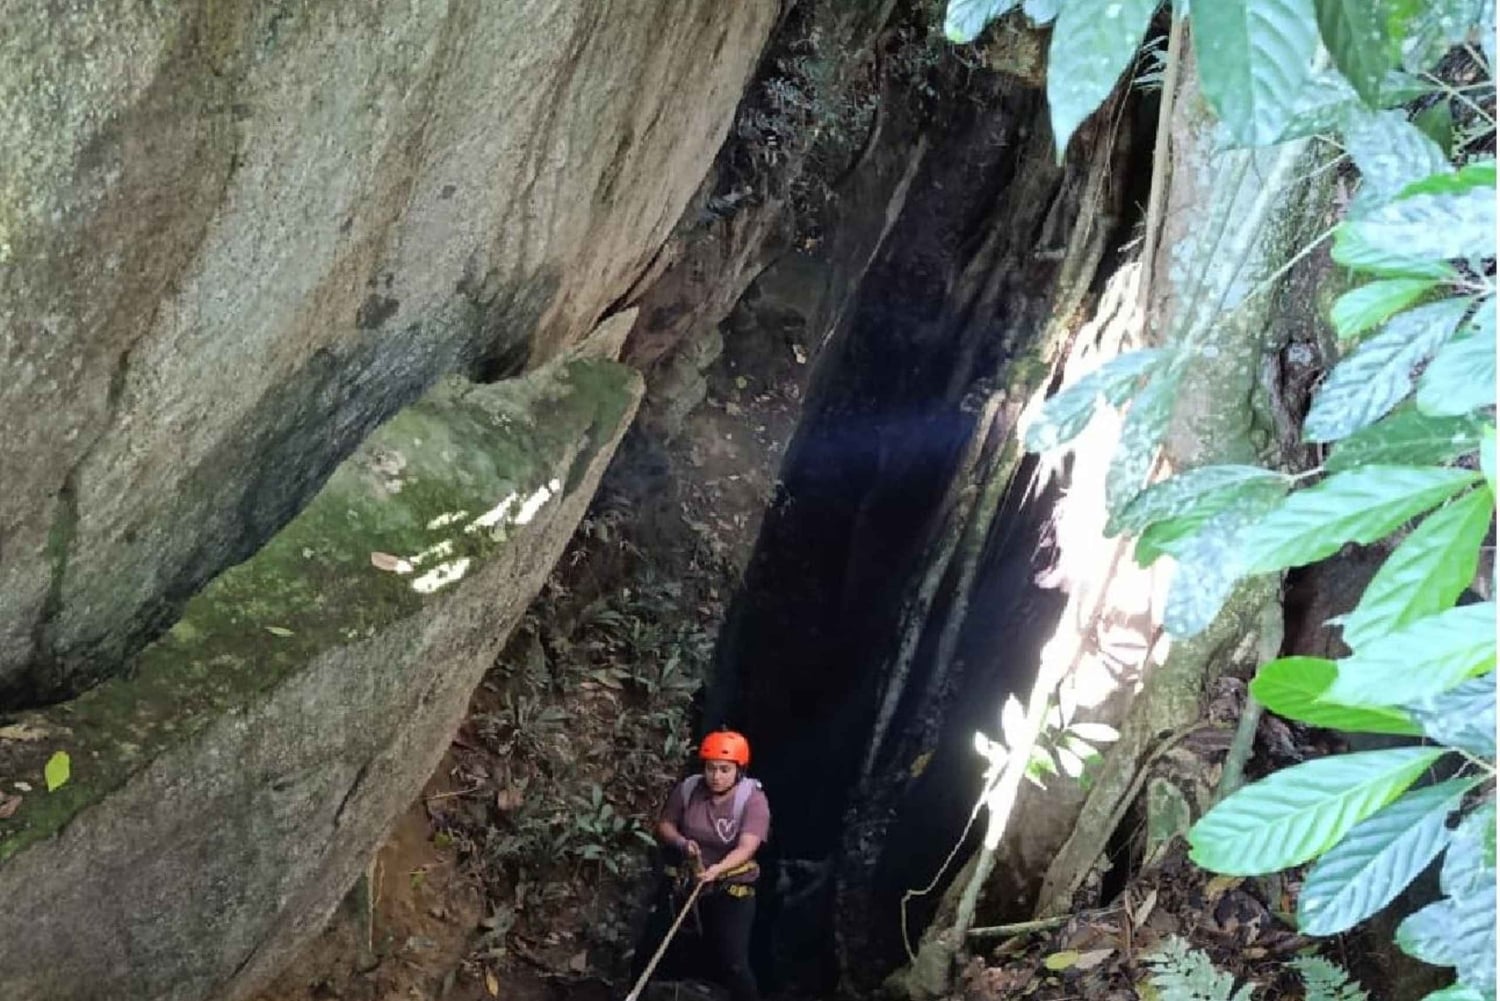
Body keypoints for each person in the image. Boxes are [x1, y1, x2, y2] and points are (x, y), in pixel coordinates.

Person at [636, 729, 770, 1001]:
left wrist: (718, 870)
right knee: (652, 947)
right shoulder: (689, 789)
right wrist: (682, 843)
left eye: (724, 770)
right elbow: (665, 824)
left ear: (738, 770)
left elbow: (747, 846)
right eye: (711, 769)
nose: (716, 776)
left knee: (732, 962)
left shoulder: (752, 800)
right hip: (685, 881)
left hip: (730, 888)